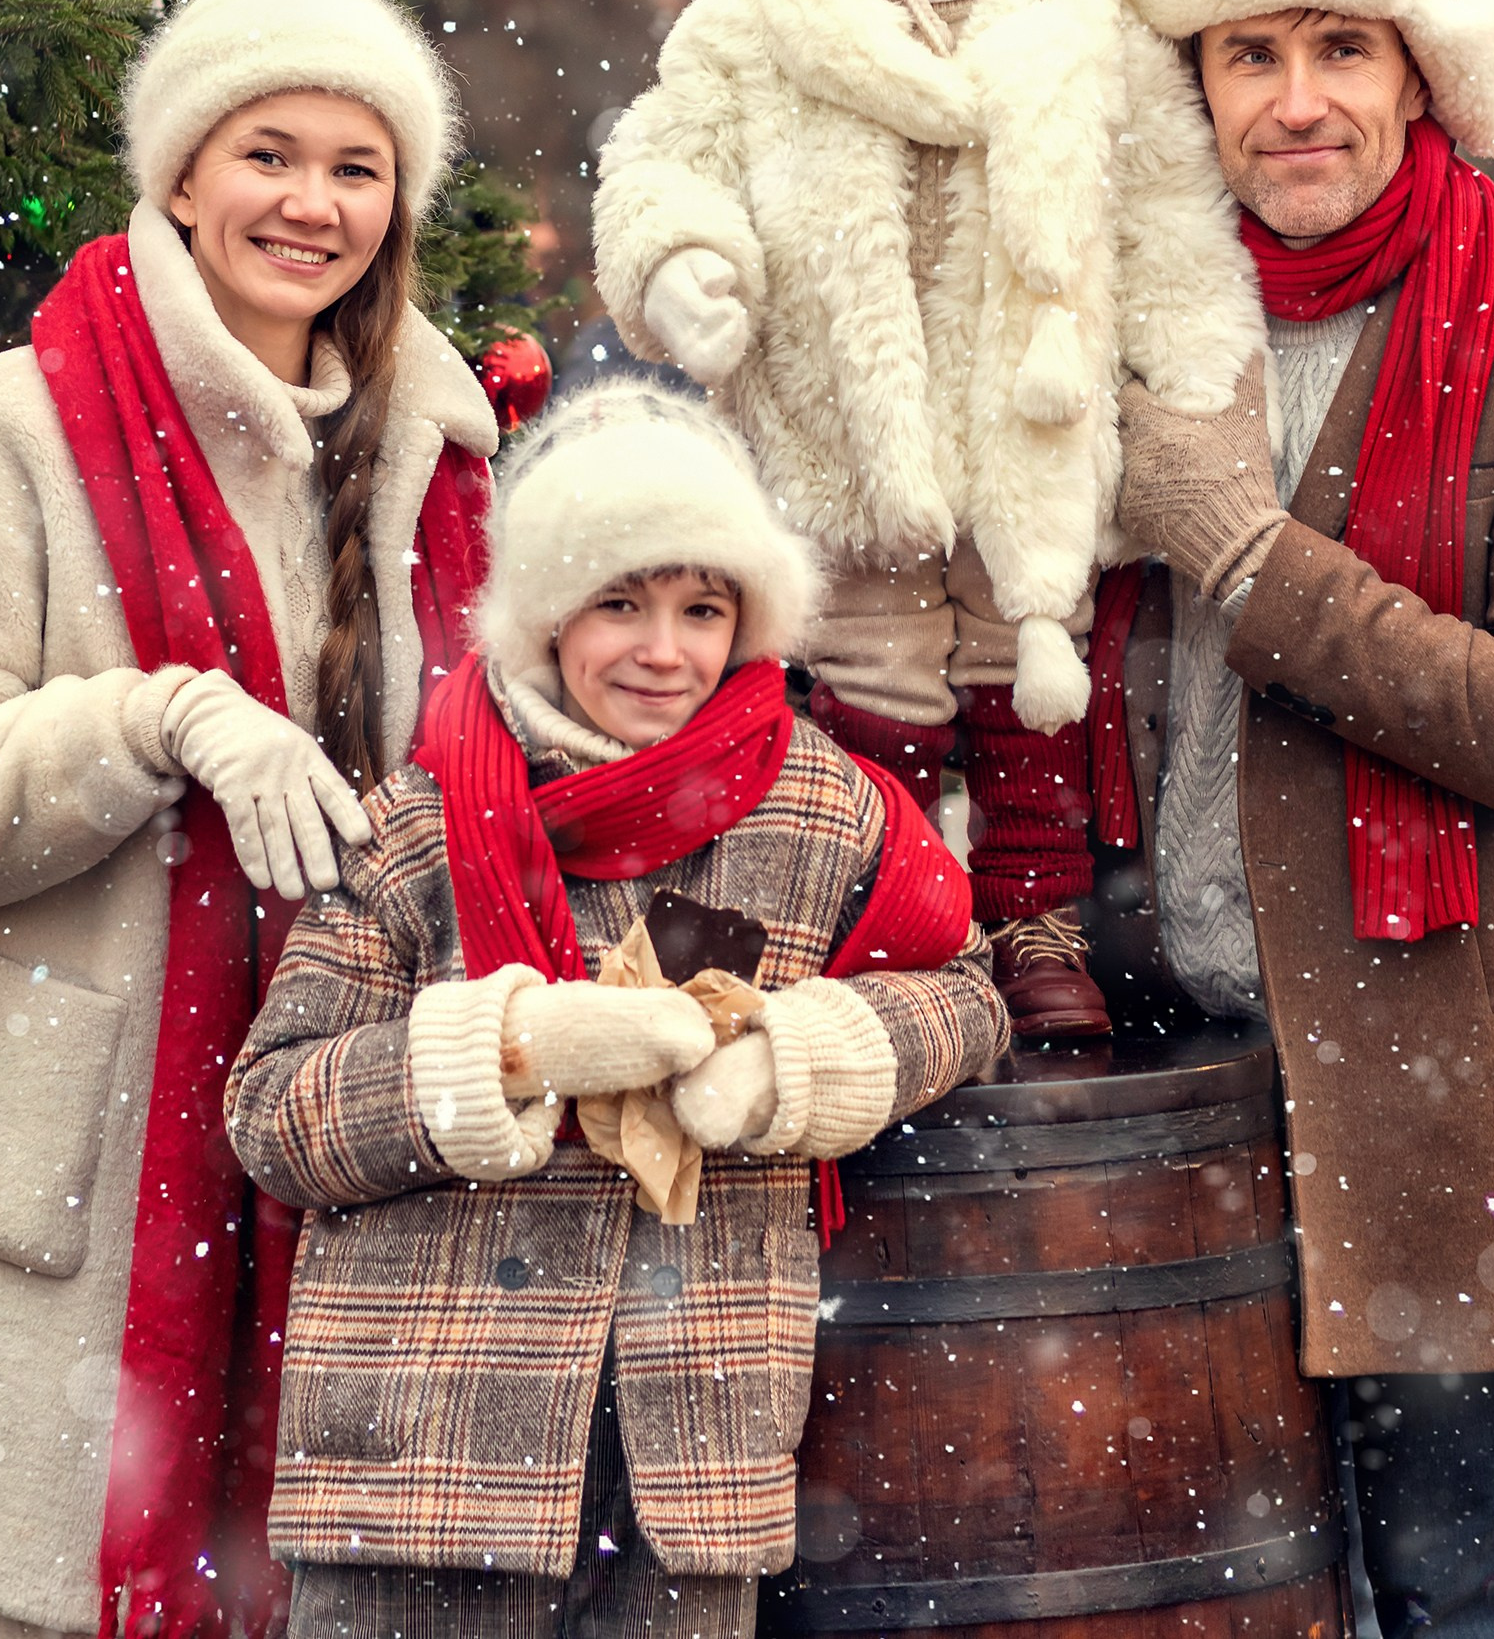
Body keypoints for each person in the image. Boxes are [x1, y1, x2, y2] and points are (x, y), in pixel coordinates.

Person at [0, 0, 499, 1639]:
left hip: (341, 1145)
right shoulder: (22, 426)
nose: (311, 203)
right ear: (179, 174)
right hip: (92, 1178)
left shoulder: (440, 461)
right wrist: (154, 722)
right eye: (268, 152)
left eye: (356, 167)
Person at [1108, 0, 1494, 1639]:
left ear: (1417, 69)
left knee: (1466, 1586)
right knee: (1181, 1592)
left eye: (1338, 49)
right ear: (1188, 84)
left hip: (1417, 1072)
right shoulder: (1111, 326)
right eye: (1245, 55)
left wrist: (1254, 564)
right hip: (1135, 1063)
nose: (1294, 104)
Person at [225, 380, 1009, 1639]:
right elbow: (271, 1112)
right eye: (619, 604)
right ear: (544, 616)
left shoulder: (826, 812)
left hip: (685, 1461)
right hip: (425, 1452)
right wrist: (508, 1048)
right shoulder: (419, 818)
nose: (664, 650)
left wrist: (801, 1064)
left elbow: (966, 993)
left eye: (702, 609)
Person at [592, 0, 1263, 1037]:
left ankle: (1034, 919)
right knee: (867, 673)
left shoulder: (1095, 22)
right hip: (844, 427)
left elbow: (1163, 210)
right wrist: (683, 263)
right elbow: (673, 150)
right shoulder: (772, 9)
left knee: (1028, 676)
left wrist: (1191, 372)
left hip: (1027, 420)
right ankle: (882, 906)